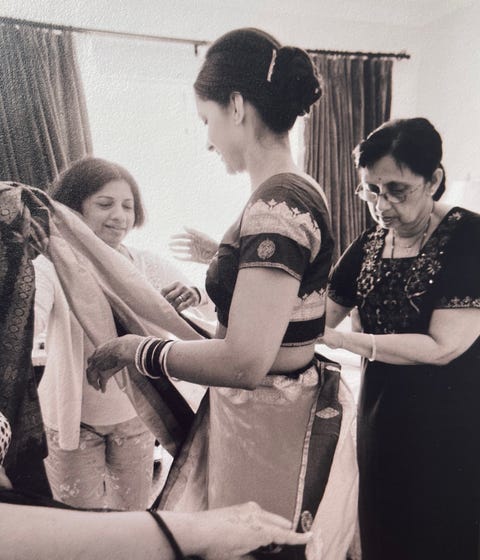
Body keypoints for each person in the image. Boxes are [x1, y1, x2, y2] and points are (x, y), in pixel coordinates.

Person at [87, 28, 358, 559]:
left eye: (206, 120)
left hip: (268, 424)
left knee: (247, 545)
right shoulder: (298, 190)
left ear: (236, 106)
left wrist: (136, 350)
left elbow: (246, 360)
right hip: (274, 411)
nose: (207, 140)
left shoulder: (275, 205)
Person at [322, 118, 480, 559]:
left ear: (434, 180)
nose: (382, 205)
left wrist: (347, 341)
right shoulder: (369, 244)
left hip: (455, 427)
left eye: (397, 190)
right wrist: (220, 287)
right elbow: (317, 313)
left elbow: (442, 346)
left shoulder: (471, 238)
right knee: (385, 534)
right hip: (383, 421)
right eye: (371, 190)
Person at [34, 157, 203, 510]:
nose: (120, 216)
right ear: (74, 206)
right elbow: (31, 314)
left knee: (133, 519)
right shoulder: (50, 265)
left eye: (128, 206)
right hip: (71, 423)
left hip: (133, 416)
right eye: (105, 204)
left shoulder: (143, 263)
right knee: (81, 529)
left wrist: (195, 294)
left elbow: (207, 305)